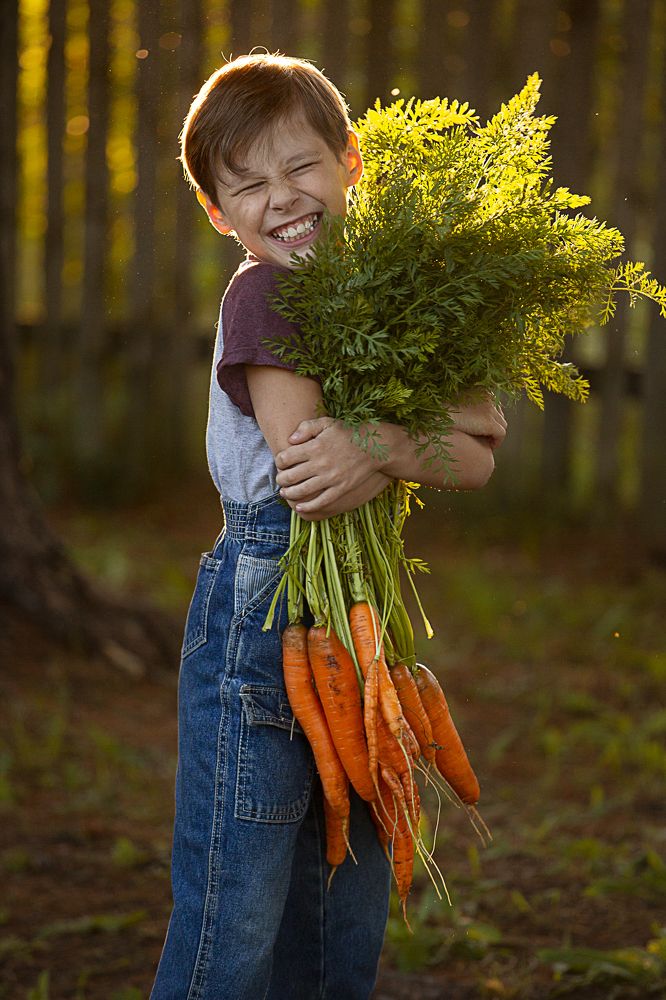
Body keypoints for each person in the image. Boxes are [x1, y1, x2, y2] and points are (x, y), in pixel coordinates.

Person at [150, 53, 507, 1000]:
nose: (282, 198)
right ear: (218, 214)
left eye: (300, 165)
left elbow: (481, 452)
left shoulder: (388, 296)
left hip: (355, 623)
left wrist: (378, 440)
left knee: (340, 910)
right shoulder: (262, 295)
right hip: (266, 615)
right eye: (248, 185)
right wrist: (405, 438)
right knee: (236, 913)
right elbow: (312, 472)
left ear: (350, 159)